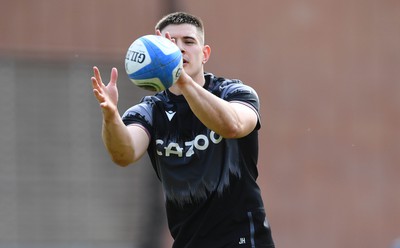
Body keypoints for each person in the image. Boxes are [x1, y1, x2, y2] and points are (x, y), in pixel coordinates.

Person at [91, 12, 275, 248]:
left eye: (188, 42)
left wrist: (179, 78)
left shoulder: (235, 93)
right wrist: (110, 115)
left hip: (243, 239)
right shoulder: (150, 111)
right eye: (169, 44)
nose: (179, 49)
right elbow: (123, 154)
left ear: (205, 53)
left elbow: (233, 125)